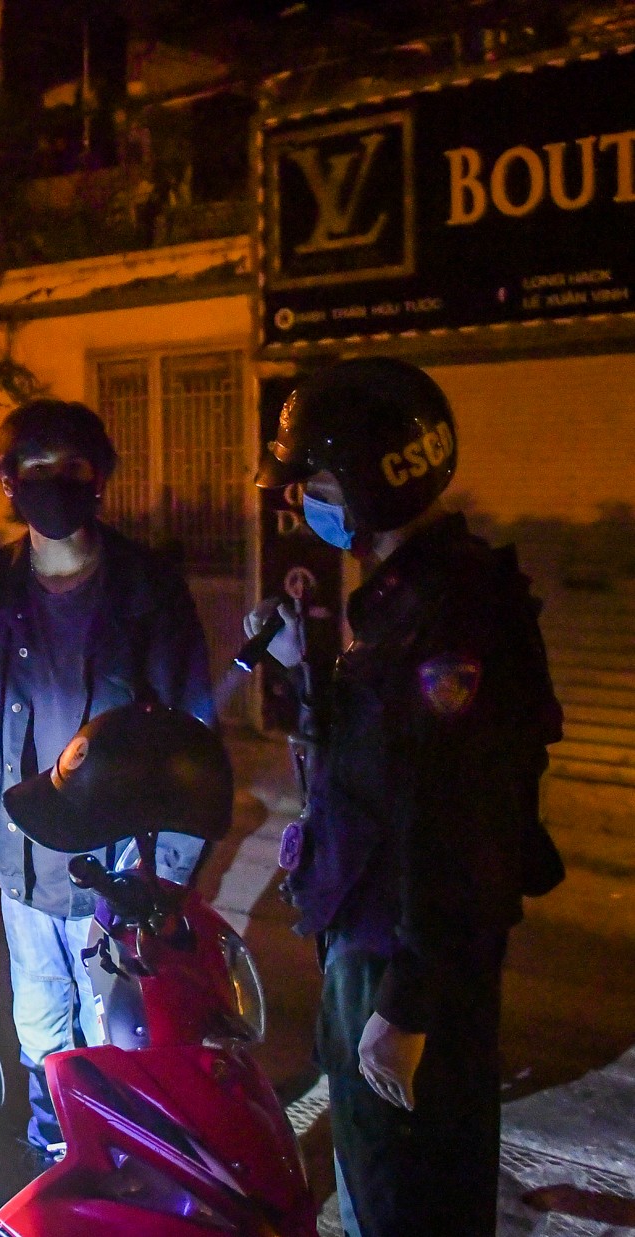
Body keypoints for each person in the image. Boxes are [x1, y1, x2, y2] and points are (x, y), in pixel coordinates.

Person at [249, 356, 564, 1237]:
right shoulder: (405, 600)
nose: (299, 501)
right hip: (376, 938)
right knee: (375, 1180)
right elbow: (379, 764)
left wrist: (407, 1002)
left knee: (408, 1198)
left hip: (402, 957)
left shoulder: (450, 613)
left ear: (371, 483)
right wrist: (306, 674)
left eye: (314, 483)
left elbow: (460, 818)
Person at [0, 397, 215, 1166]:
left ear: (100, 475)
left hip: (118, 876)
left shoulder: (148, 591)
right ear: (8, 481)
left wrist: (164, 874)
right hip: (22, 871)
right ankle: (57, 1162)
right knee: (42, 1031)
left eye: (72, 467)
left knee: (121, 1036)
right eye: (36, 467)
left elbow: (192, 738)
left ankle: (124, 1172)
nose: (53, 482)